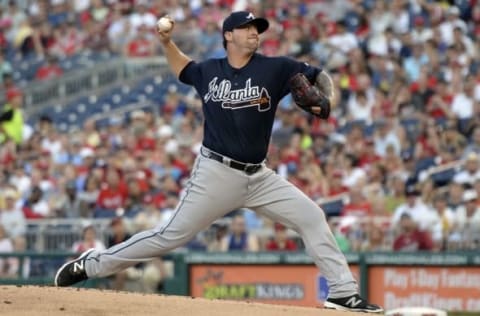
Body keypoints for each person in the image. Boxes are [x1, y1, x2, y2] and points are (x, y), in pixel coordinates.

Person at [54, 11, 383, 313]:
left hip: (259, 177)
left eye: (257, 29)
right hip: (216, 172)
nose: (255, 33)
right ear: (228, 35)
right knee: (170, 236)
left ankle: (342, 291)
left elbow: (320, 77)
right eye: (247, 28)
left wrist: (328, 100)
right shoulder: (209, 71)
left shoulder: (276, 67)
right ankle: (93, 264)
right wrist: (167, 43)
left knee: (311, 216)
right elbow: (183, 67)